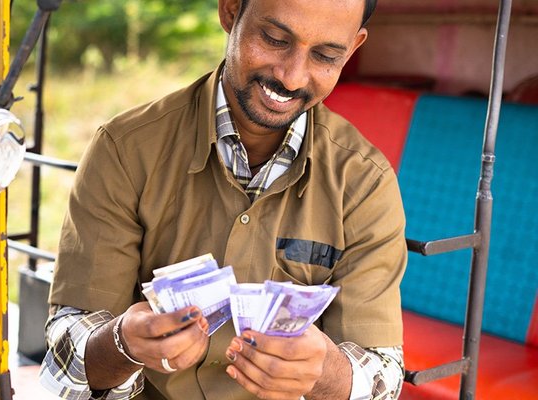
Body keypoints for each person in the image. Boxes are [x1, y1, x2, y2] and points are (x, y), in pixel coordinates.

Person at [39, 0, 407, 399]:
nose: (292, 76)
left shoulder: (365, 182)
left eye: (325, 55)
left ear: (352, 49)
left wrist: (326, 371)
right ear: (230, 11)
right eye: (275, 38)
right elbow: (69, 347)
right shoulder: (125, 150)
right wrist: (123, 343)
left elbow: (382, 372)